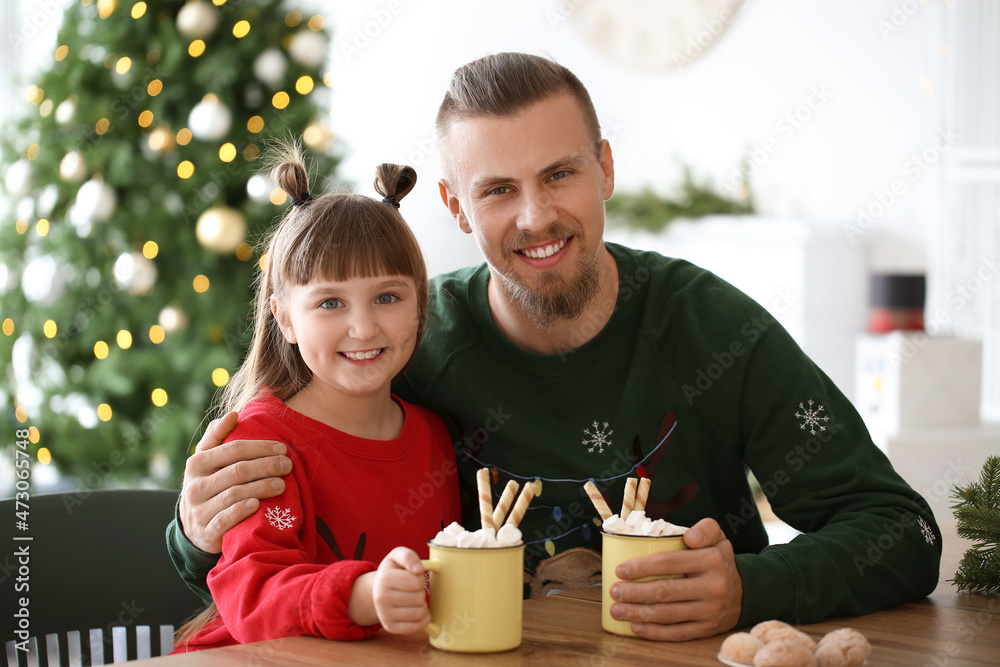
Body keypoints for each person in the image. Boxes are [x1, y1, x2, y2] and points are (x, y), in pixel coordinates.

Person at [167, 54, 941, 642]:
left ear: (604, 168)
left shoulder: (711, 327)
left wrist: (752, 586)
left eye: (561, 173)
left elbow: (904, 532)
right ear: (455, 207)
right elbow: (255, 559)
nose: (536, 216)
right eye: (498, 189)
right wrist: (193, 530)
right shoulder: (405, 346)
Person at [171, 142, 460, 651]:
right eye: (330, 302)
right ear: (284, 318)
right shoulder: (263, 445)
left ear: (420, 305)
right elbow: (253, 595)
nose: (363, 326)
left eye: (387, 297)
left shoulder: (434, 434)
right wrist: (362, 595)